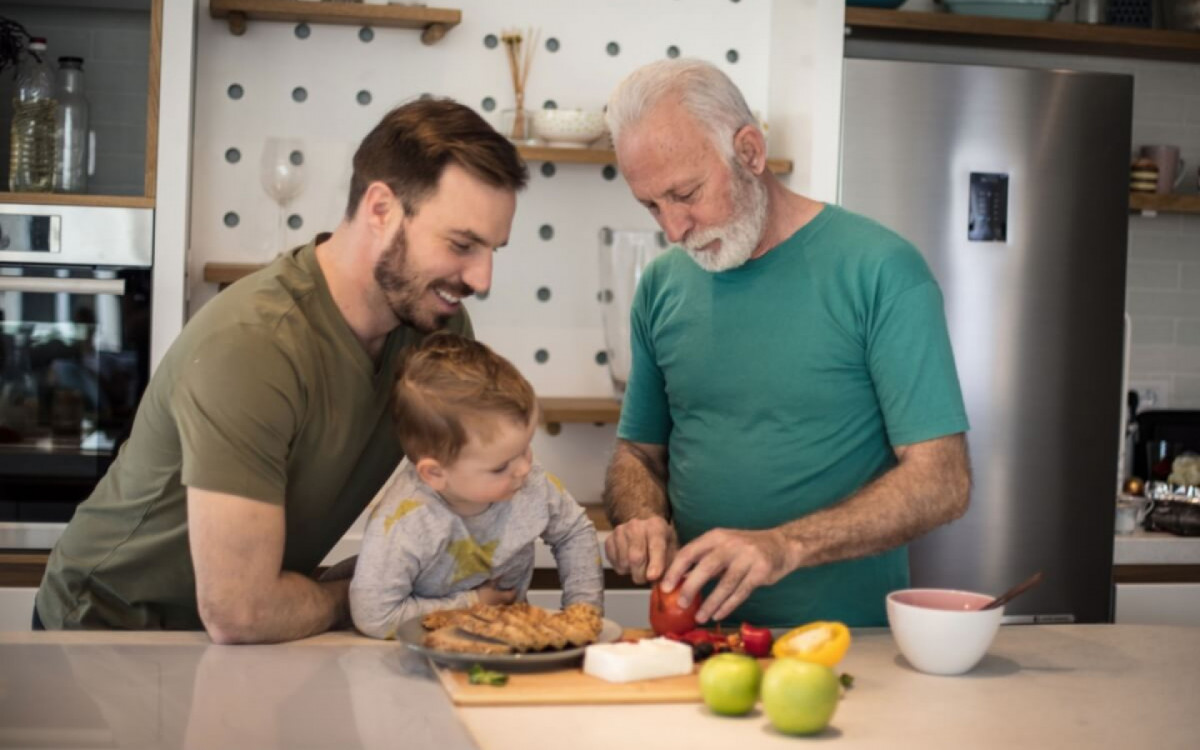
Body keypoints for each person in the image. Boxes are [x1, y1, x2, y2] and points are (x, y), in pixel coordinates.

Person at [34, 98, 529, 642]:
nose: (481, 278)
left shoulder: (439, 332)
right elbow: (240, 612)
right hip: (106, 630)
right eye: (461, 244)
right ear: (381, 208)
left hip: (238, 634)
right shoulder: (253, 345)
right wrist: (364, 593)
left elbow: (472, 490)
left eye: (492, 251)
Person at [600, 59, 971, 628]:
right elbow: (637, 455)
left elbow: (943, 480)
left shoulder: (880, 270)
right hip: (693, 640)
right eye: (652, 205)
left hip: (844, 644)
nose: (673, 229)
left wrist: (785, 545)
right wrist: (642, 514)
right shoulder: (661, 284)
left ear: (749, 151)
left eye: (686, 193)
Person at [350, 333, 603, 639]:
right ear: (434, 474)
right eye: (500, 467)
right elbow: (374, 617)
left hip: (508, 649)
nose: (524, 469)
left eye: (525, 449)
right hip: (417, 660)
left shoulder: (530, 483)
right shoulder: (406, 522)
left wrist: (583, 614)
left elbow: (574, 532)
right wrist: (473, 604)